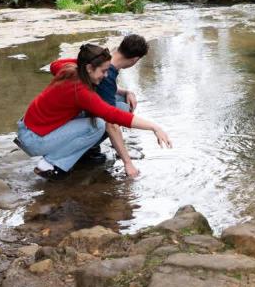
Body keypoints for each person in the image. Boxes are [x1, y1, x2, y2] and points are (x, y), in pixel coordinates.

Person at [14, 43, 171, 180]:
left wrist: (88, 61)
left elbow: (54, 64)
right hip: (34, 139)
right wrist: (154, 127)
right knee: (97, 125)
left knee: (110, 108)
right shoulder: (81, 91)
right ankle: (49, 164)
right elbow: (113, 115)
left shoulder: (69, 69)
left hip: (28, 129)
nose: (106, 75)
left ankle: (74, 155)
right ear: (89, 68)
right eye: (103, 71)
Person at [92, 34, 149, 176]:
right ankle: (89, 148)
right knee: (122, 109)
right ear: (135, 59)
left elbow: (109, 88)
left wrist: (127, 92)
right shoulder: (108, 72)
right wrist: (128, 163)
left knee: (123, 100)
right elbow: (111, 123)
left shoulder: (106, 59)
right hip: (78, 117)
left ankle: (93, 145)